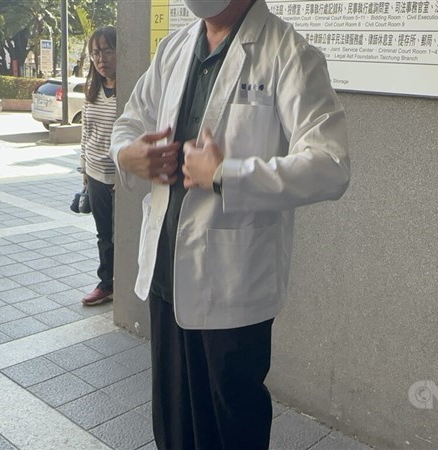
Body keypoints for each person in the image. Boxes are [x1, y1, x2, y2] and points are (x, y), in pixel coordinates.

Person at [110, 0, 350, 447]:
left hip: (233, 282)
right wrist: (126, 154)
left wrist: (225, 174)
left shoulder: (289, 53)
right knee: (173, 422)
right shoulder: (174, 49)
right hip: (166, 273)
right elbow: (129, 121)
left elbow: (330, 165)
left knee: (230, 425)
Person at [79, 27, 117, 306]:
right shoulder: (91, 90)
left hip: (120, 177)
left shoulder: (131, 90)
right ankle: (106, 283)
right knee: (103, 234)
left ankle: (125, 282)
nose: (101, 59)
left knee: (123, 234)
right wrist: (83, 169)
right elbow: (85, 131)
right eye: (95, 53)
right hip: (94, 173)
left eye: (107, 51)